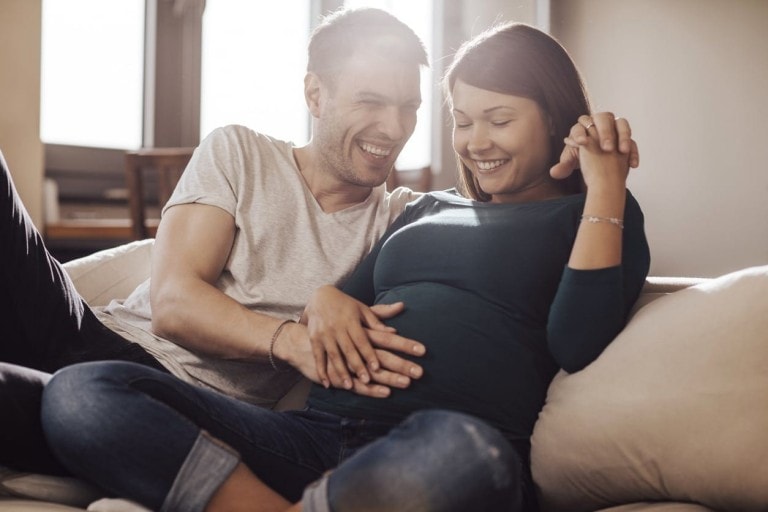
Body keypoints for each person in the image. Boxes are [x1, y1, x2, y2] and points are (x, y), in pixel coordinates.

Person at [41, 20, 650, 512]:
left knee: (468, 454)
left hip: (436, 441)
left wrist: (604, 189)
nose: (475, 142)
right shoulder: (425, 209)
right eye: (463, 122)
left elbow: (578, 341)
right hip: (314, 436)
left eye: (500, 120)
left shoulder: (597, 216)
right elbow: (337, 299)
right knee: (82, 393)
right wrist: (324, 302)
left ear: (554, 118)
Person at [1, 7, 430, 476]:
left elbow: (493, 207)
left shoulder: (401, 218)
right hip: (87, 332)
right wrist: (293, 341)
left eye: (409, 107)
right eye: (370, 101)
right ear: (315, 94)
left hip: (170, 402)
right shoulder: (240, 150)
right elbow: (173, 304)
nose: (394, 128)